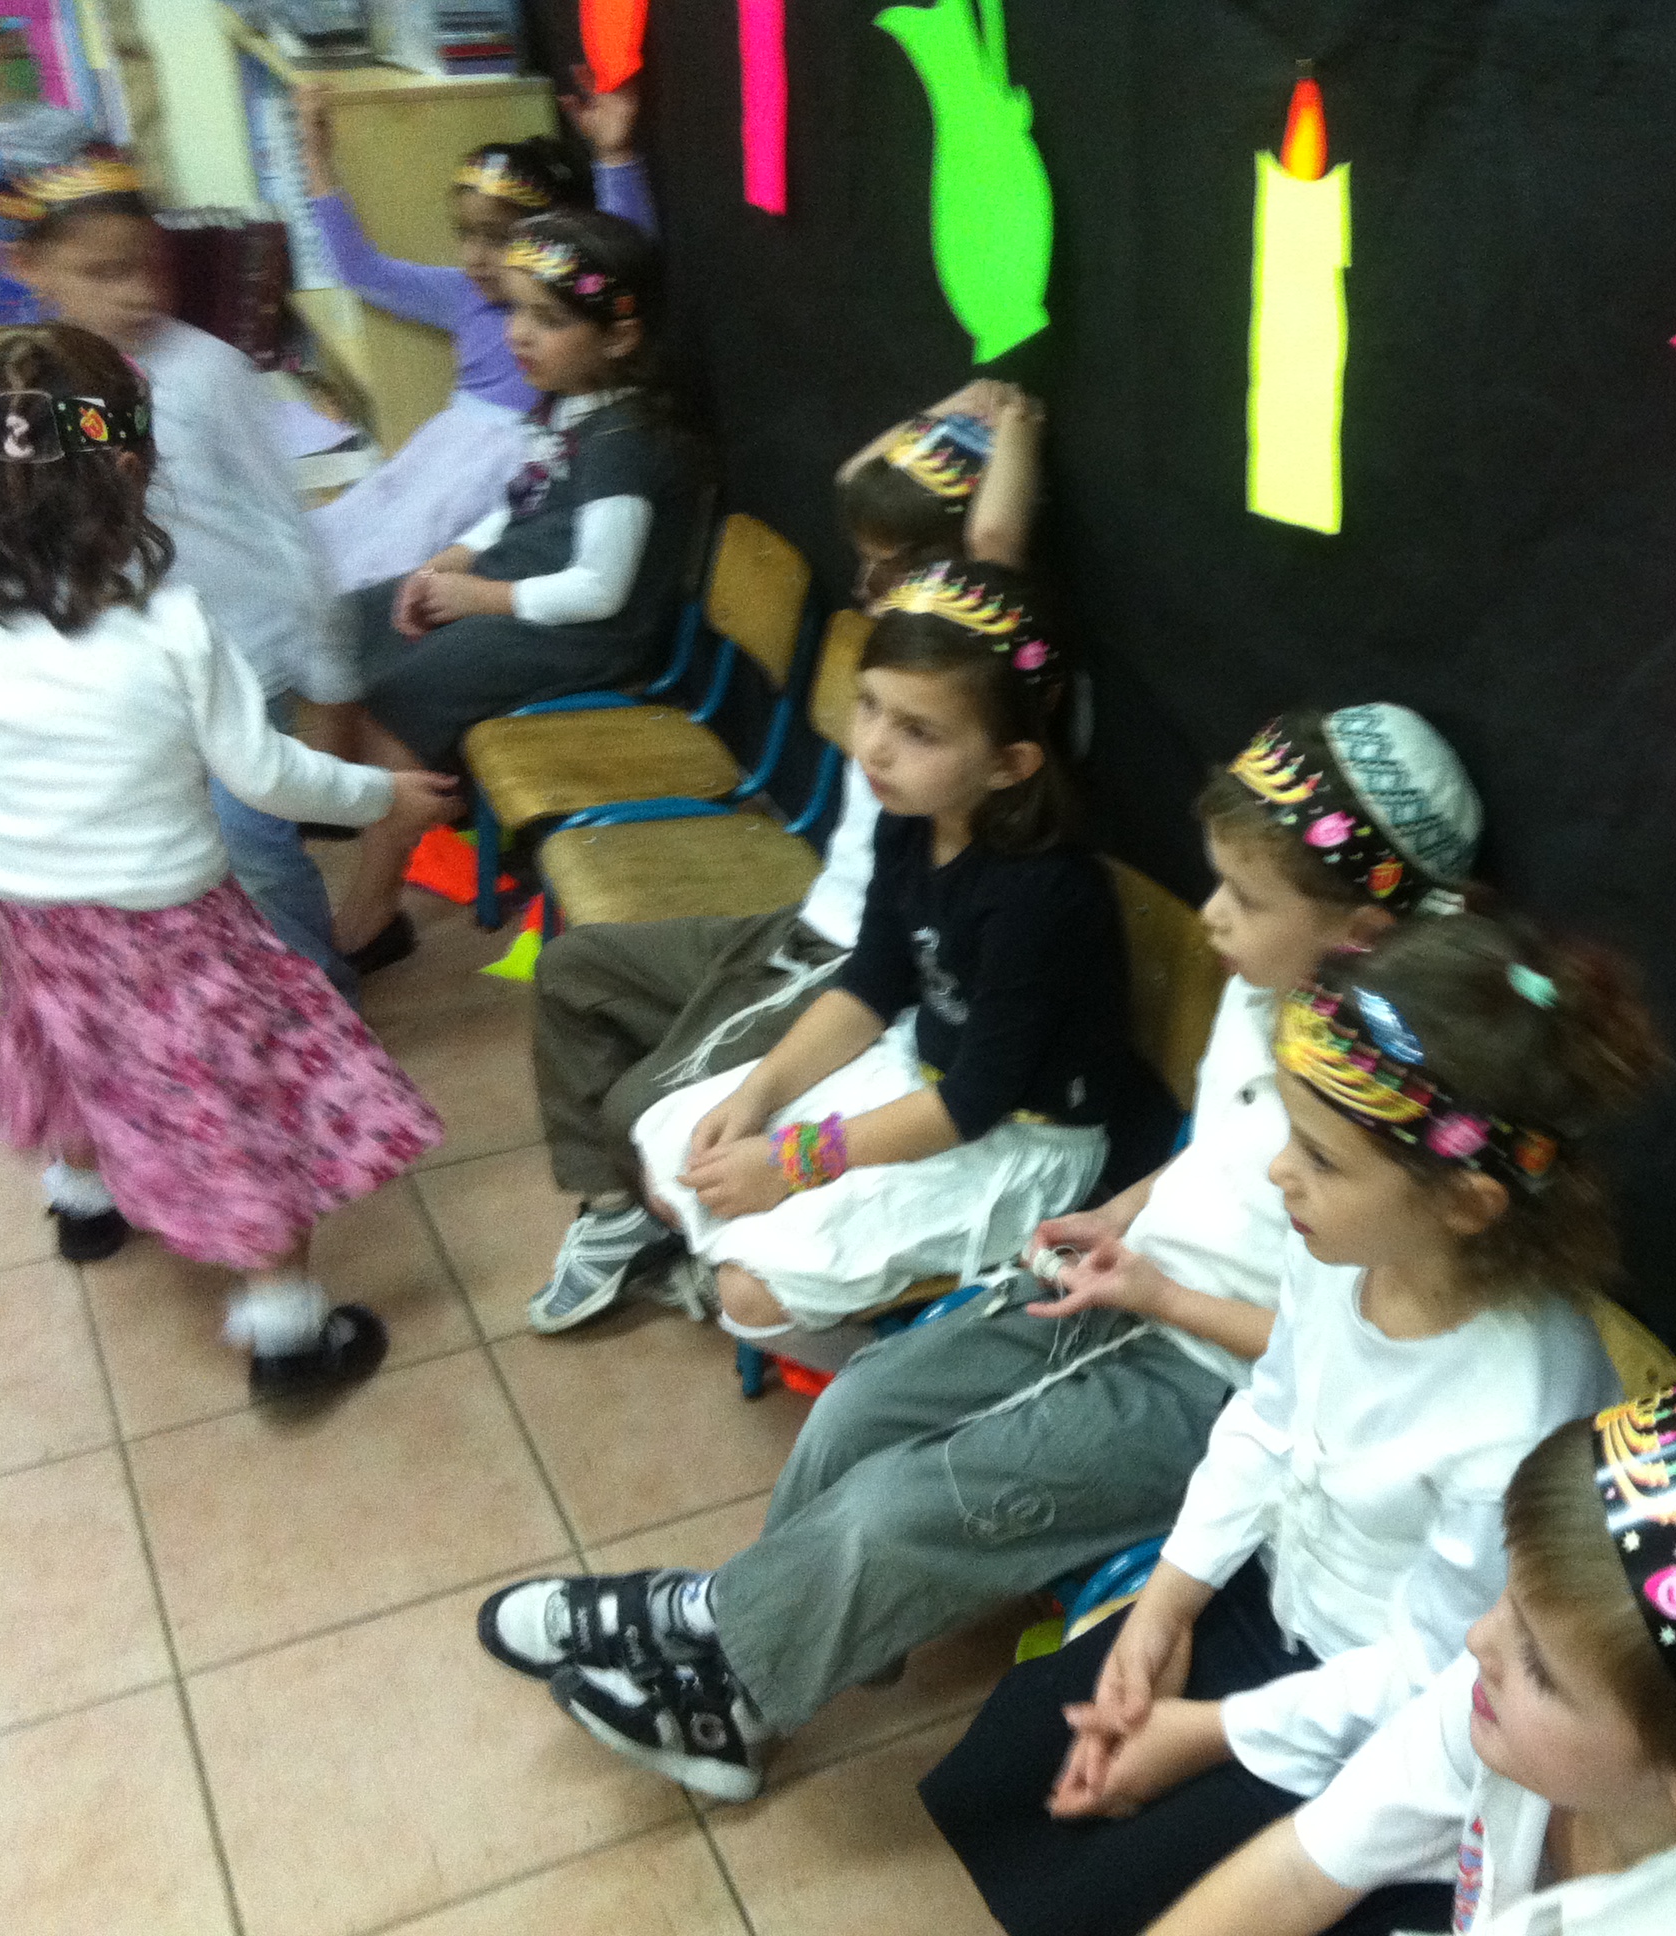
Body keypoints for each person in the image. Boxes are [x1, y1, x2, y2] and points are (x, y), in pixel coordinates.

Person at [475, 702, 1486, 1803]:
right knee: (860, 1405)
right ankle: (755, 1652)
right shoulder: (1269, 995)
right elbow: (1226, 1160)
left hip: (1222, 1381)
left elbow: (1339, 1362)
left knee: (898, 1508)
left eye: (1245, 897)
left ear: (1360, 930)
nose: (1211, 917)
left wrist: (1163, 1296)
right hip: (1136, 1284)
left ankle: (720, 1660)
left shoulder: (1403, 1124)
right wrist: (1128, 1210)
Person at [918, 911, 1669, 1936]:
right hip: (1268, 1602)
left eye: (1319, 1156)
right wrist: (1167, 1606)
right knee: (1015, 1755)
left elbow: (1434, 1671)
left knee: (1113, 1886)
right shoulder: (1343, 1251)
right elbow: (1266, 1421)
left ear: (1465, 1204)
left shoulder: (1517, 1411)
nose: (1280, 1173)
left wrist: (1208, 1731)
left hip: (1377, 1718)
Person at [0, 323, 456, 1388]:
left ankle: (83, 1204)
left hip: (28, 911)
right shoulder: (170, 626)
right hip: (173, 925)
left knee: (66, 1036)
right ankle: (286, 1331)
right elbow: (268, 777)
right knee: (227, 1096)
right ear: (129, 472)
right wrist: (382, 795)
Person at [523, 383, 1047, 1333]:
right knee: (574, 969)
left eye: (891, 566)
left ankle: (671, 1227)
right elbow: (857, 480)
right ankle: (618, 1217)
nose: (865, 585)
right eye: (866, 560)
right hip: (800, 922)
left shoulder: (974, 655)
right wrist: (952, 406)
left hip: (834, 960)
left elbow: (996, 543)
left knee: (641, 1106)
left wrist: (1014, 424)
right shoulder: (899, 696)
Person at [1144, 1380, 1676, 1936]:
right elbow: (1302, 1870)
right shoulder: (1511, 1702)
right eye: (1510, 1598)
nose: (1478, 1640)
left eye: (1542, 1666)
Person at [618, 558, 1176, 1357]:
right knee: (675, 1160)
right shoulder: (909, 815)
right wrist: (758, 1094)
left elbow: (974, 1103)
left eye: (919, 731)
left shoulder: (1045, 893)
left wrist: (792, 1163)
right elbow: (870, 987)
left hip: (1020, 1140)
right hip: (923, 1071)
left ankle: (869, 1372)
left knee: (749, 1293)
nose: (874, 748)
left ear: (1010, 763)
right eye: (870, 705)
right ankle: (805, 1278)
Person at [0, 109, 365, 998]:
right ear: (27, 267)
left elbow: (287, 524)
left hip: (247, 658)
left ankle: (319, 997)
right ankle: (233, 1000)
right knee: (185, 861)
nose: (136, 292)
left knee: (256, 848)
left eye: (147, 264)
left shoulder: (207, 371)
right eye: (103, 272)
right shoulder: (20, 389)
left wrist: (331, 677)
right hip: (129, 676)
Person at [329, 207, 696, 966]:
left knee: (404, 693)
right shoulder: (571, 406)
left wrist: (479, 598)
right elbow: (520, 501)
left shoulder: (624, 443)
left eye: (549, 320)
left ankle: (372, 908)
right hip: (524, 593)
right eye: (517, 312)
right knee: (356, 620)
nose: (519, 335)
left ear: (619, 338)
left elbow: (600, 589)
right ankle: (387, 796)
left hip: (587, 637)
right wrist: (453, 559)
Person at [298, 71, 657, 591]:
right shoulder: (463, 294)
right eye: (465, 234)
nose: (474, 257)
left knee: (398, 567)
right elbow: (360, 270)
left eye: (495, 238)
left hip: (502, 467)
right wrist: (316, 160)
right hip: (442, 453)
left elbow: (626, 255)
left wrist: (614, 154)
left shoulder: (570, 309)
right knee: (345, 536)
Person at [833, 378, 1042, 601]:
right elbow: (992, 534)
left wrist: (961, 403)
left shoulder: (910, 555)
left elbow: (850, 473)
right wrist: (1015, 416)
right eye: (885, 562)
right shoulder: (982, 552)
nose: (863, 584)